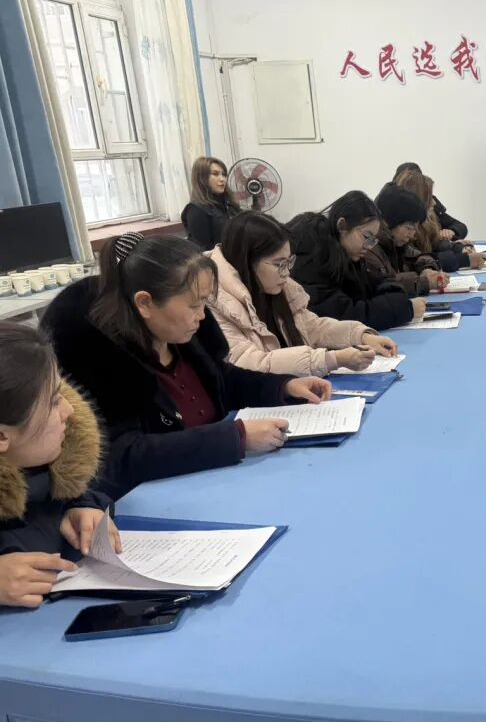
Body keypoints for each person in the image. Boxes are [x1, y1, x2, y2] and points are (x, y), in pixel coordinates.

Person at [43, 233, 331, 500]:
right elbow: (124, 455)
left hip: (218, 484)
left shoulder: (178, 339)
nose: (202, 316)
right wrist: (236, 437)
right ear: (144, 303)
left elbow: (222, 380)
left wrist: (282, 386)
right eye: (194, 305)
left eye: (204, 303)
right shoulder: (103, 365)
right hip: (159, 501)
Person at [0, 322, 121, 608]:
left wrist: (82, 506)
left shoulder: (45, 467)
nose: (69, 410)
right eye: (54, 401)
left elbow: (44, 504)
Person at [209, 212, 398, 377]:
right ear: (247, 261)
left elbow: (311, 326)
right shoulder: (215, 301)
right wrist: (332, 359)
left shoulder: (277, 287)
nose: (286, 272)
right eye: (279, 264)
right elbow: (250, 363)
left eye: (289, 262)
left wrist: (361, 336)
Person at [288, 191, 424, 330]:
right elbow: (342, 316)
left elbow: (370, 288)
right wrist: (404, 309)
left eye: (373, 240)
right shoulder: (314, 250)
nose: (368, 246)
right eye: (366, 237)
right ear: (342, 225)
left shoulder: (348, 253)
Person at [392, 170, 484, 272]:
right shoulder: (402, 230)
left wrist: (459, 248)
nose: (434, 203)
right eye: (429, 197)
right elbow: (420, 261)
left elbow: (437, 245)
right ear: (418, 199)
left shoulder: (427, 220)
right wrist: (464, 260)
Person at [371, 184, 448, 296]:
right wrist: (425, 282)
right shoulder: (370, 248)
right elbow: (384, 284)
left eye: (414, 229)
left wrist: (427, 269)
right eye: (408, 228)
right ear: (389, 222)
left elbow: (419, 256)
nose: (412, 235)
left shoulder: (397, 242)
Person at [393, 162, 469, 240]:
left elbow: (460, 226)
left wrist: (451, 232)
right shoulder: (396, 211)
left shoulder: (430, 202)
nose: (433, 203)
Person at [181, 156, 240, 250]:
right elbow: (203, 250)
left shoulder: (230, 204)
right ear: (201, 178)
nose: (222, 179)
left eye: (224, 174)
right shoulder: (196, 209)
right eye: (215, 174)